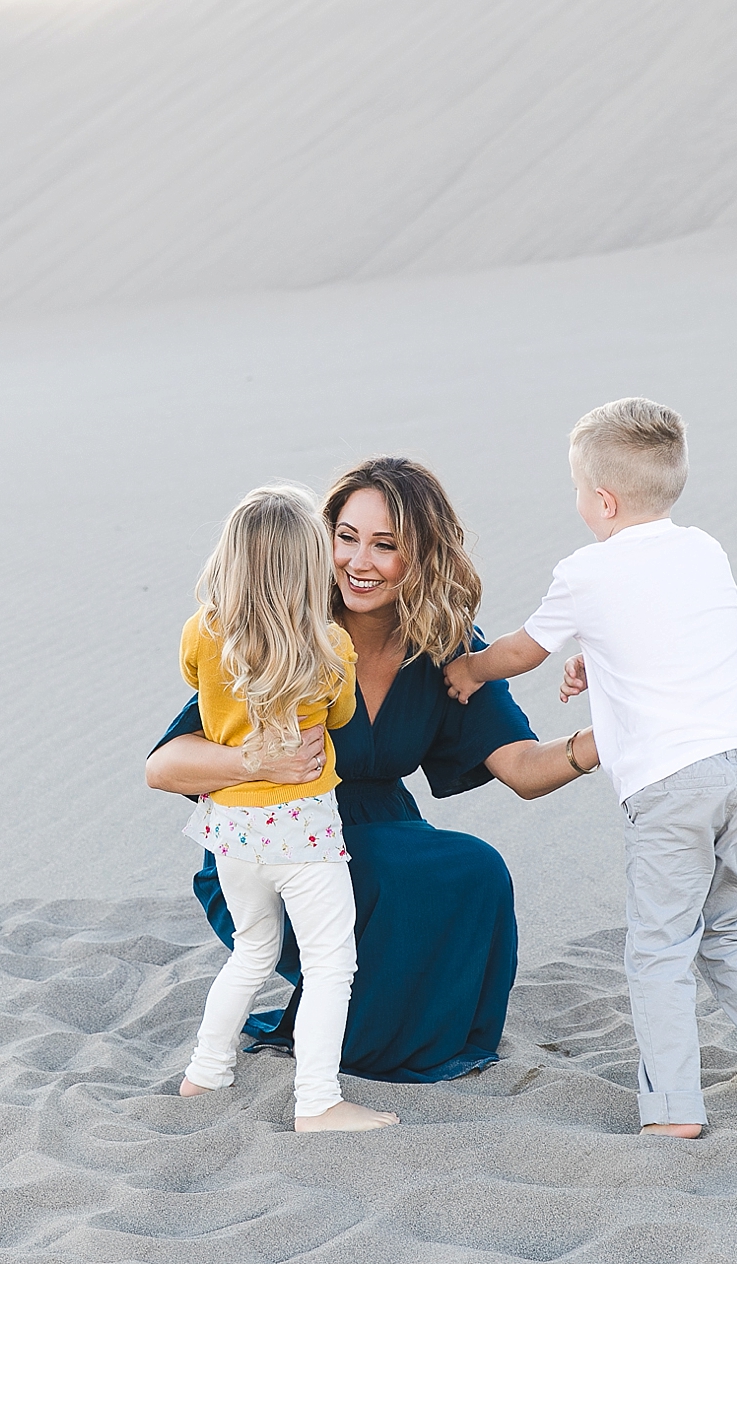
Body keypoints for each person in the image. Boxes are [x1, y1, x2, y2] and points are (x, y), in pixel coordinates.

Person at [148, 457, 602, 1090]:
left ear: (422, 556)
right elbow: (164, 765)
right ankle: (359, 1047)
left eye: (386, 546)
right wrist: (254, 760)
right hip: (277, 837)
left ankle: (424, 1036)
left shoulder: (445, 644)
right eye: (346, 537)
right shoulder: (285, 627)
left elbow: (522, 769)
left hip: (383, 830)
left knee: (475, 868)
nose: (359, 562)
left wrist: (602, 738)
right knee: (399, 873)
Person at [445, 398, 737, 1137]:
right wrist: (600, 657)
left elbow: (523, 650)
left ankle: (673, 1111)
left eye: (579, 488)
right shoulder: (705, 549)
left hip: (672, 783)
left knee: (657, 949)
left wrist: (471, 671)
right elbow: (672, 637)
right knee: (724, 924)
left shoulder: (586, 570)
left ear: (602, 500)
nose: (577, 500)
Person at [174, 483, 398, 1133]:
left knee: (250, 950)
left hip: (231, 829)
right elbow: (344, 715)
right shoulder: (330, 646)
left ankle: (205, 1072)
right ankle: (318, 1100)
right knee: (333, 962)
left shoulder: (203, 631)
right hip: (300, 828)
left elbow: (194, 680)